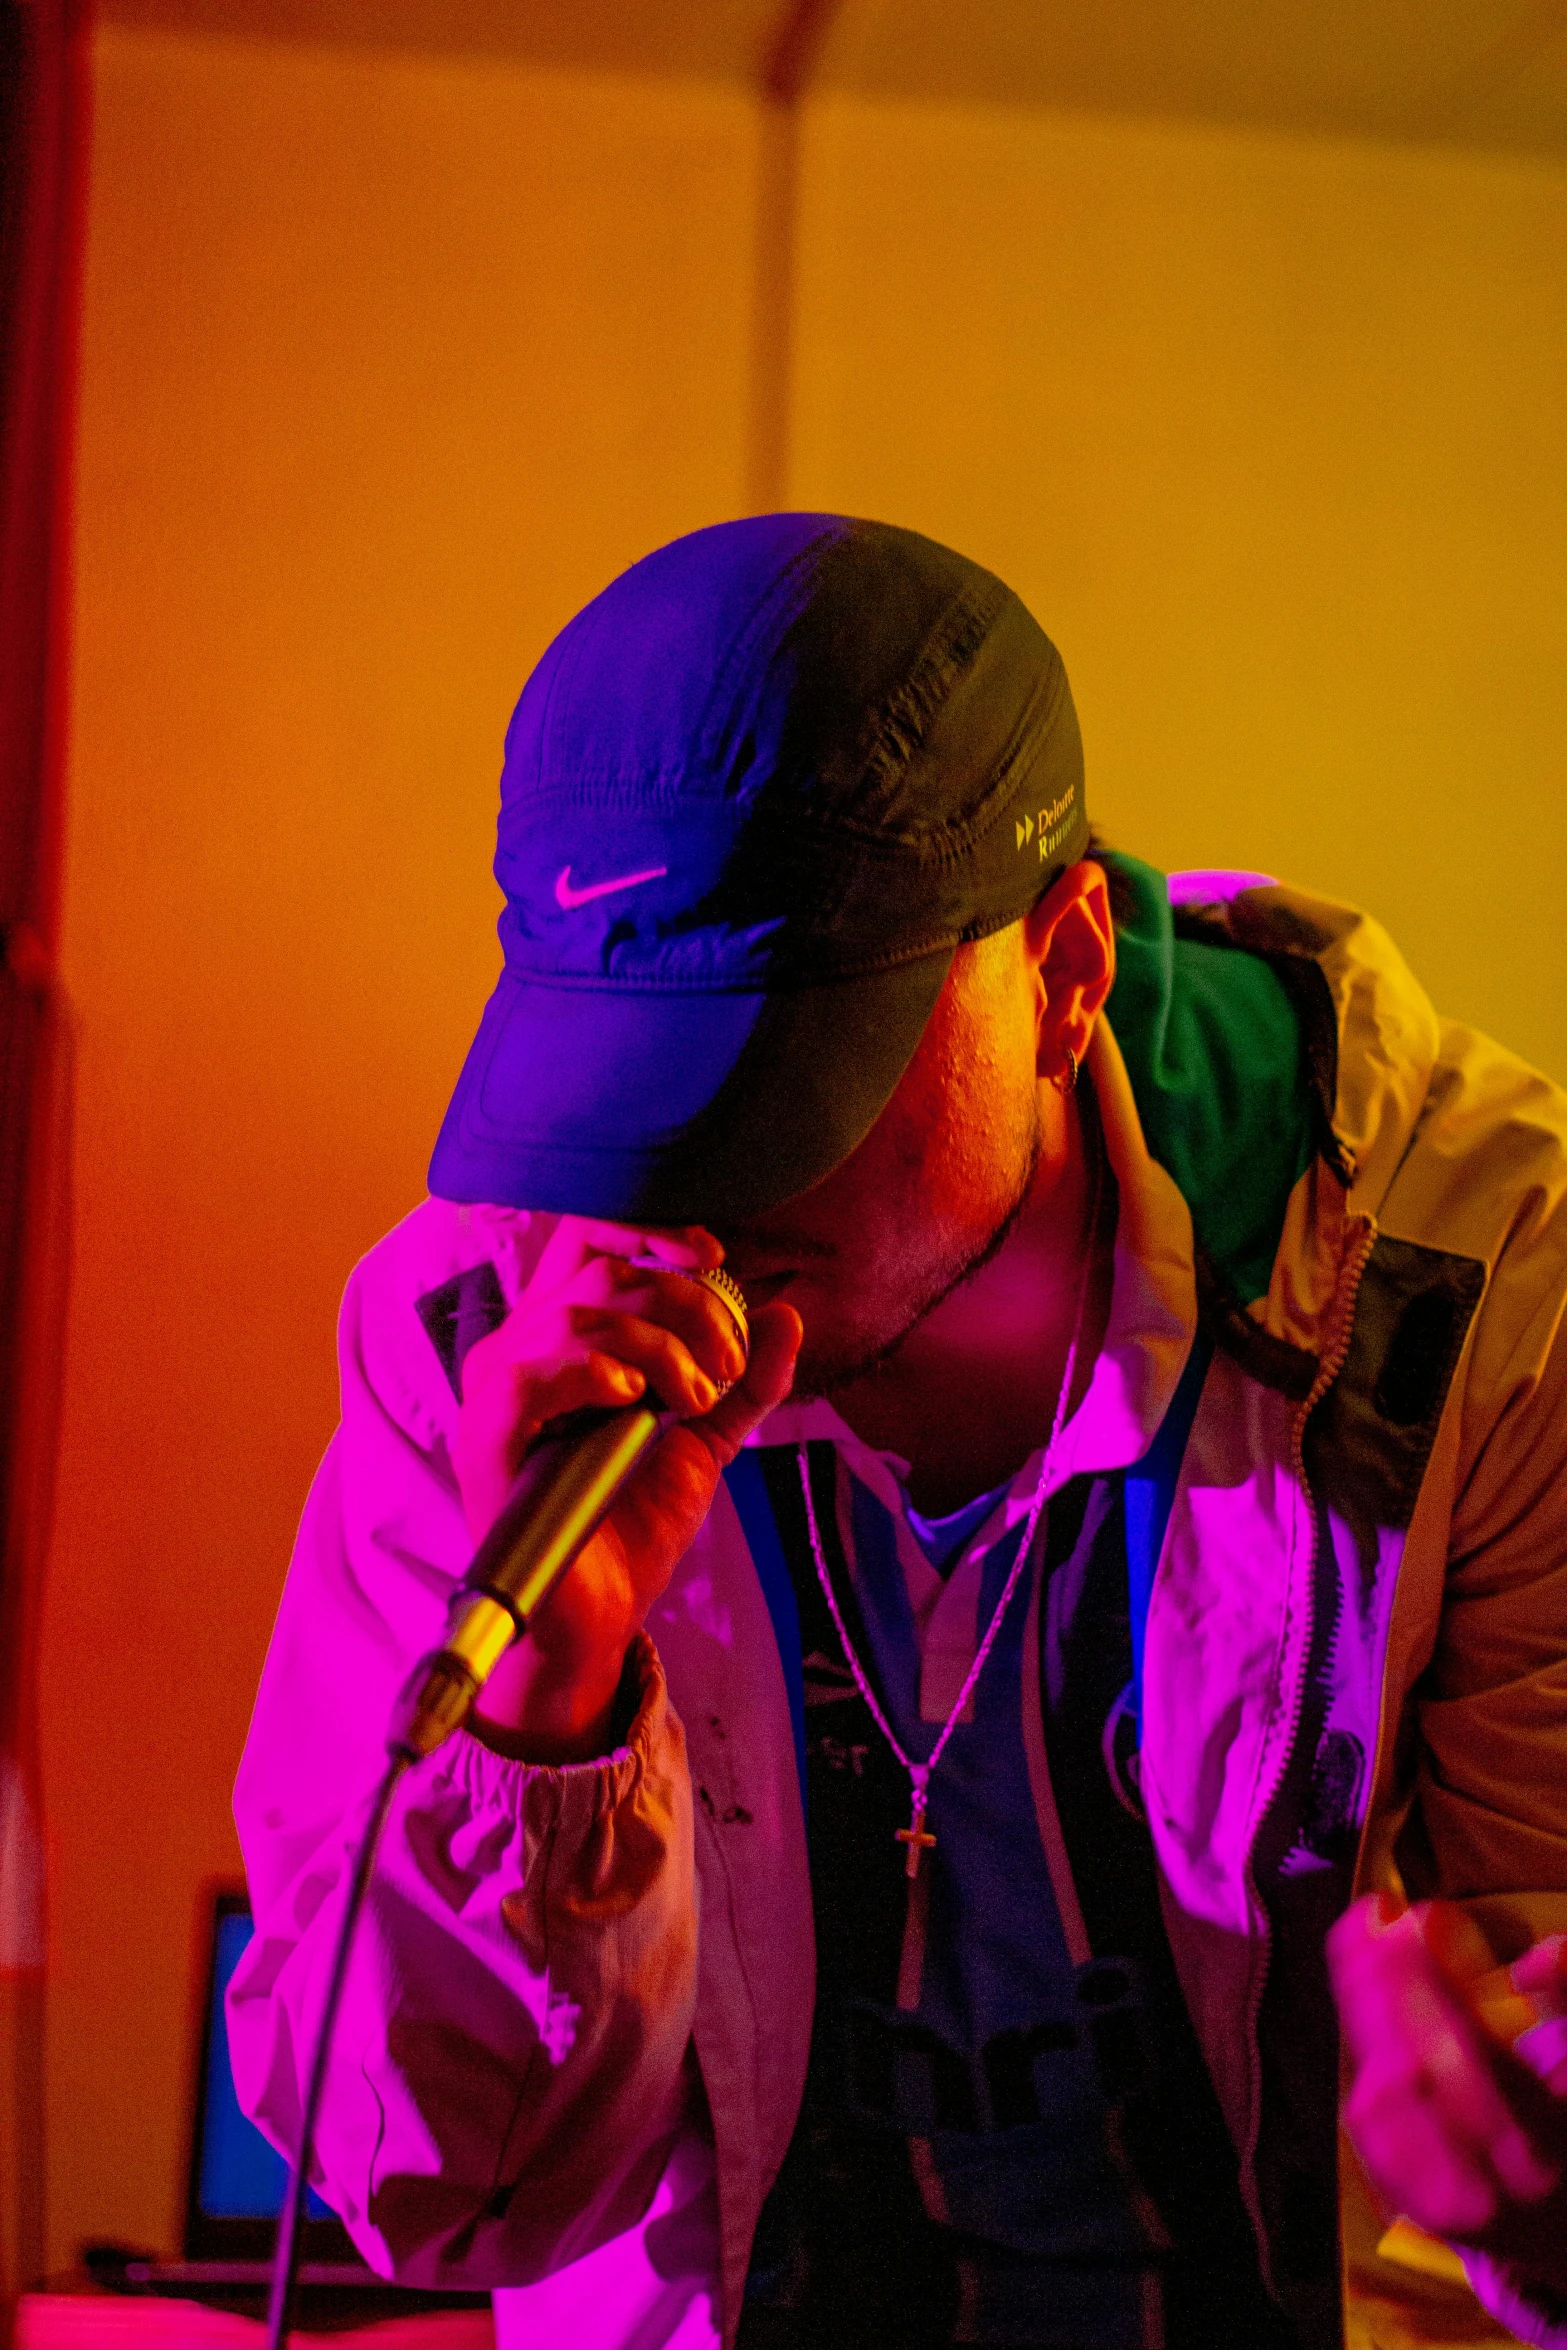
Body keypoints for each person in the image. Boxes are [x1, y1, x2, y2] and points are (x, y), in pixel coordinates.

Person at [228, 515, 1567, 2350]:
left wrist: (1526, 2157)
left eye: (794, 1067)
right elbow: (426, 2195)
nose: (695, 1172)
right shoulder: (475, 1336)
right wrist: (548, 1708)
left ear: (1068, 967)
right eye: (623, 1070)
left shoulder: (1474, 1299)